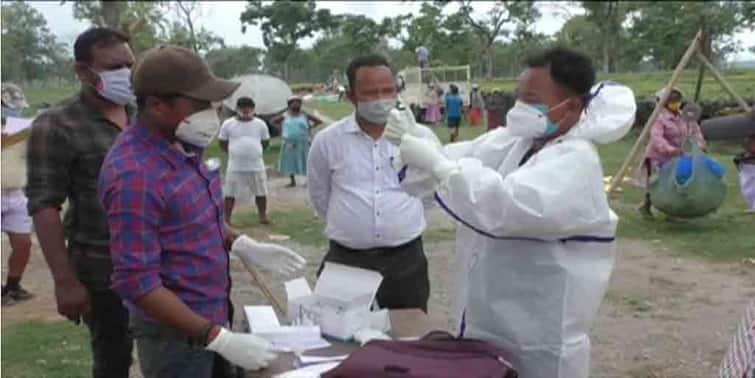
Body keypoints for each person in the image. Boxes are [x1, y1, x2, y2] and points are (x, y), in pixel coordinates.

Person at [384, 47, 636, 377]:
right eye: (519, 96)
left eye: (531, 99)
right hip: (487, 327)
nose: (519, 108)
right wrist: (415, 137)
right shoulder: (517, 141)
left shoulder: (576, 162)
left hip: (538, 340)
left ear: (571, 106)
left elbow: (504, 206)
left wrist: (436, 163)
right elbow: (455, 160)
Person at [99, 45, 306, 377]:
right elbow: (137, 282)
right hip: (175, 338)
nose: (212, 113)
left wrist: (240, 244)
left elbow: (194, 219)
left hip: (213, 312)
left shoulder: (183, 145)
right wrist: (218, 339)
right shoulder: (135, 175)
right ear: (156, 104)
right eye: (199, 105)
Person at [26, 27, 136, 378]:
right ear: (83, 72)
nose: (125, 75)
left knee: (172, 352)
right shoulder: (56, 124)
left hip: (158, 260)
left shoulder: (143, 115)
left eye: (129, 65)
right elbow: (44, 205)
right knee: (113, 357)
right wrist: (65, 281)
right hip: (103, 267)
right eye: (114, 67)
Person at [307, 54, 437, 312]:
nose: (381, 100)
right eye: (370, 93)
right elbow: (320, 195)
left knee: (408, 338)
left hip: (406, 260)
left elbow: (431, 192)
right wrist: (355, 225)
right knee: (341, 339)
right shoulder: (328, 141)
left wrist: (401, 223)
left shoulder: (421, 137)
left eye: (388, 91)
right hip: (347, 260)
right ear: (351, 97)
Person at [638, 88, 707, 218]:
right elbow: (657, 138)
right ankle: (646, 205)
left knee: (675, 184)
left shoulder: (685, 117)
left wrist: (700, 144)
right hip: (658, 157)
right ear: (664, 103)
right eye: (672, 101)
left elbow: (695, 131)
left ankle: (671, 213)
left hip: (679, 156)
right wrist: (671, 149)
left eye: (677, 101)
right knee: (656, 183)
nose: (676, 103)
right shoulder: (659, 119)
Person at [1, 83, 34, 305]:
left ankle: (12, 287)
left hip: (15, 193)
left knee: (23, 243)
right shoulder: (18, 131)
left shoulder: (22, 130)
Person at [218, 96, 272, 225]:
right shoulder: (228, 124)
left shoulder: (260, 124)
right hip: (235, 165)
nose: (246, 111)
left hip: (256, 164)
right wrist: (234, 152)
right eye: (243, 108)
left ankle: (262, 216)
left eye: (249, 108)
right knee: (230, 192)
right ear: (237, 109)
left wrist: (255, 151)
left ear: (253, 109)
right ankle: (227, 218)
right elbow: (222, 142)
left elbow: (265, 142)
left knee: (261, 191)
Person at [274, 96, 322, 187]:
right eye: (294, 103)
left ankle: (309, 181)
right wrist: (281, 129)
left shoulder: (304, 114)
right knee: (289, 161)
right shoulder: (285, 115)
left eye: (298, 103)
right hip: (289, 143)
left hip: (303, 142)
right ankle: (292, 181)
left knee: (306, 160)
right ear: (289, 105)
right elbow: (273, 121)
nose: (296, 104)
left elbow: (318, 121)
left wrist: (309, 127)